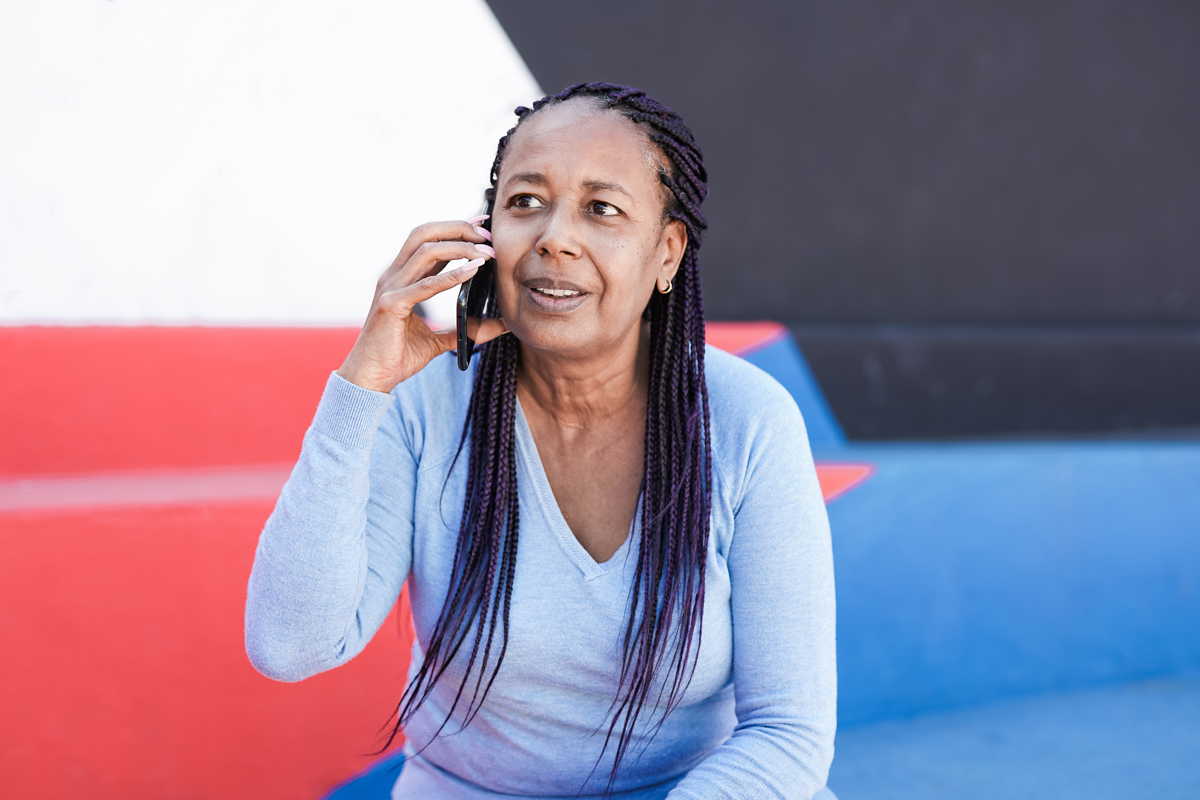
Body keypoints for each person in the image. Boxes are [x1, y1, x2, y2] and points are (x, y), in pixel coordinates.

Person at [245, 83, 836, 800]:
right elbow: (289, 645)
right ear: (486, 231)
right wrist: (362, 386)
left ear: (667, 253)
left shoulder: (746, 420)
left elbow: (788, 732)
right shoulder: (426, 405)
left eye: (602, 209)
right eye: (526, 202)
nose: (554, 236)